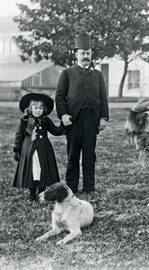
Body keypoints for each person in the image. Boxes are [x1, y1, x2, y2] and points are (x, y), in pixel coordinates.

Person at [55, 33, 109, 194]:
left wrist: (103, 117)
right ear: (76, 54)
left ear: (91, 54)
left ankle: (89, 187)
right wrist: (63, 115)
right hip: (73, 120)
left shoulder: (97, 75)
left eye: (88, 53)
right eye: (83, 53)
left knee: (89, 155)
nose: (86, 56)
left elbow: (103, 98)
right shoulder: (67, 73)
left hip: (91, 120)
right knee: (73, 155)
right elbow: (59, 96)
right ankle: (71, 188)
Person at [12, 93, 65, 202]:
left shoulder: (46, 121)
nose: (38, 110)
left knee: (42, 170)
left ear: (44, 109)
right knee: (32, 171)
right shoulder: (25, 121)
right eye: (35, 108)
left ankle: (41, 194)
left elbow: (56, 131)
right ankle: (32, 196)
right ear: (30, 109)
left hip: (43, 149)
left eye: (41, 108)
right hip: (29, 150)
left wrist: (63, 124)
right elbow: (19, 136)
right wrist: (16, 150)